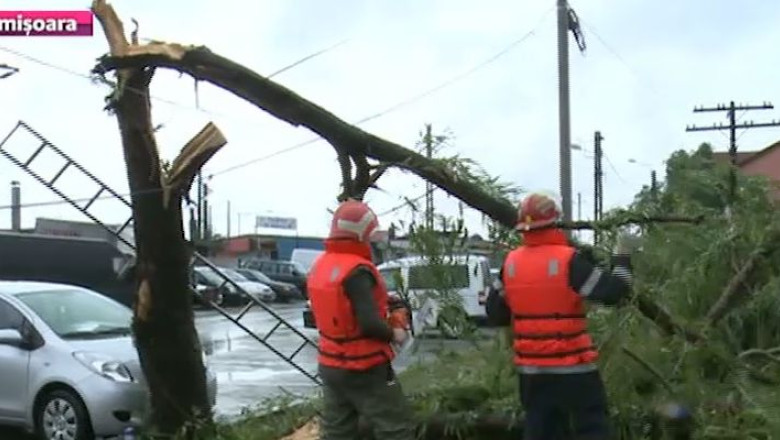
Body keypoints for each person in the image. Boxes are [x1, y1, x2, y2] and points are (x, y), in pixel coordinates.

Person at [485, 190, 641, 440]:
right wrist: (622, 256)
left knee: (541, 431)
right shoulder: (569, 261)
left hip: (531, 373)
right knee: (591, 429)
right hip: (573, 369)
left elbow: (495, 313)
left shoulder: (511, 264)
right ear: (556, 222)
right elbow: (614, 292)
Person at [307, 198, 415, 440]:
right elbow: (369, 324)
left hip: (330, 363)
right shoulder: (357, 270)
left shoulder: (321, 265)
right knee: (394, 426)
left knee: (338, 430)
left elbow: (340, 308)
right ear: (362, 232)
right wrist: (396, 333)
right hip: (364, 365)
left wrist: (383, 301)